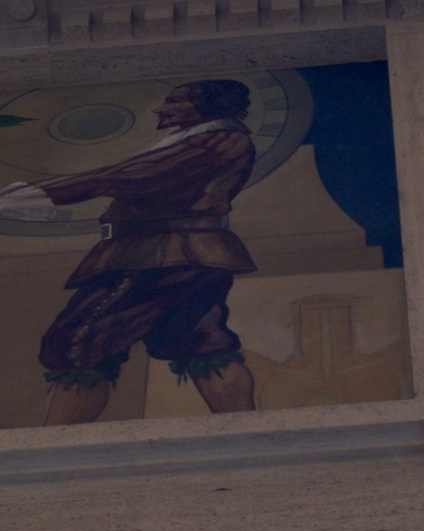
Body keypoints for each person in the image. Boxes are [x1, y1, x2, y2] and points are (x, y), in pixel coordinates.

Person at [0, 79, 258, 425]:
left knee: (81, 340)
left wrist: (36, 194)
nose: (161, 108)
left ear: (208, 106)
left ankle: (56, 442)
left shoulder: (217, 140)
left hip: (156, 254)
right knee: (198, 338)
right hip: (186, 254)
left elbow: (136, 175)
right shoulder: (210, 139)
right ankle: (245, 429)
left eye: (174, 101)